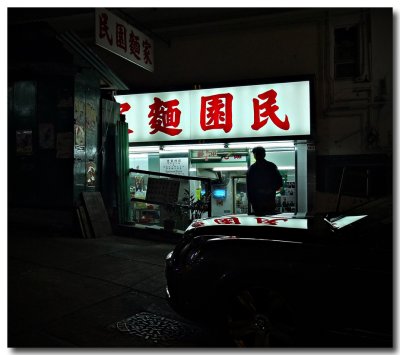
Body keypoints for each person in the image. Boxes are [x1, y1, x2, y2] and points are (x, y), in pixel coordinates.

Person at [246, 146, 283, 216]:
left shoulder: (252, 169)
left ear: (254, 156)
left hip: (257, 204)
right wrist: (271, 189)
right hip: (270, 202)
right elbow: (279, 182)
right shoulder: (271, 166)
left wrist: (251, 200)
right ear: (264, 155)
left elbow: (249, 187)